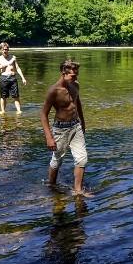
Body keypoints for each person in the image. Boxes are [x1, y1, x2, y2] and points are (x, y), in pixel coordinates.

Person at [40, 60, 91, 196]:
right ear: (63, 73)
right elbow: (43, 114)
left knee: (82, 159)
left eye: (77, 74)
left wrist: (83, 122)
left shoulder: (75, 85)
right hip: (60, 129)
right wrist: (49, 137)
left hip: (76, 126)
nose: (76, 78)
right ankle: (51, 184)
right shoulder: (53, 91)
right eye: (73, 76)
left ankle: (78, 190)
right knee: (57, 159)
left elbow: (77, 103)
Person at [0, 42, 27, 114]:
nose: (5, 51)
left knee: (16, 96)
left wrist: (23, 78)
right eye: (3, 49)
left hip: (13, 78)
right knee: (3, 96)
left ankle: (18, 110)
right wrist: (0, 67)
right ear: (0, 50)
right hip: (4, 78)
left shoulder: (13, 58)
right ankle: (3, 111)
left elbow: (18, 68)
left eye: (6, 49)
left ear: (8, 50)